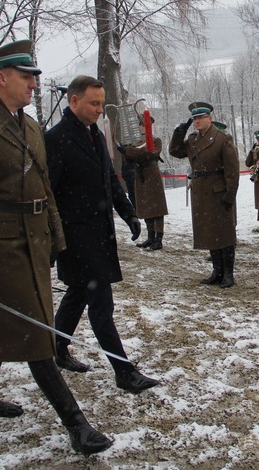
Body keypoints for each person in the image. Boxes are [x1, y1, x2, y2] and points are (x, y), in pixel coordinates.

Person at [0, 40, 111, 455]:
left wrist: (55, 238)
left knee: (5, 319)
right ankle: (77, 425)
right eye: (26, 76)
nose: (35, 84)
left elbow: (44, 190)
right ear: (1, 78)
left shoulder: (29, 125)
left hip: (33, 240)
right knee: (35, 328)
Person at [45, 75, 157, 394]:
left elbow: (109, 178)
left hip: (99, 234)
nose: (99, 109)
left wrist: (129, 214)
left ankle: (57, 348)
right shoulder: (56, 139)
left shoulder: (93, 132)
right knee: (100, 305)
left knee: (78, 294)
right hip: (76, 238)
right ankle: (123, 371)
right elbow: (48, 193)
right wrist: (53, 241)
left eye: (101, 102)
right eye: (94, 103)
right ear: (74, 100)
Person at [169, 102, 239, 288]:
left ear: (210, 118)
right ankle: (216, 271)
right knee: (209, 232)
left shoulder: (223, 138)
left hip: (218, 192)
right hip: (201, 192)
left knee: (224, 233)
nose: (197, 121)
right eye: (194, 119)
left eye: (200, 117)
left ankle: (228, 274)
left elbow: (232, 171)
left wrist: (230, 196)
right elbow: (175, 151)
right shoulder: (192, 139)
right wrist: (179, 132)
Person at [119, 116, 169, 250]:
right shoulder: (135, 142)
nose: (142, 127)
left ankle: (158, 238)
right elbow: (130, 159)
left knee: (157, 208)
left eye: (145, 124)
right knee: (146, 206)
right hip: (140, 175)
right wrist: (124, 152)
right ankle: (151, 236)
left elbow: (148, 154)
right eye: (141, 124)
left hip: (152, 175)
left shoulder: (155, 140)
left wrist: (129, 151)